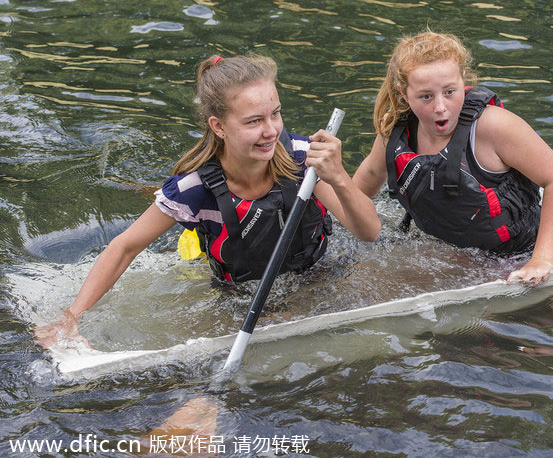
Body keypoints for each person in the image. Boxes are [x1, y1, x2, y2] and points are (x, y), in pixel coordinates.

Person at [35, 54, 381, 348]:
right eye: (254, 121)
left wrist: (338, 176)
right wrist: (71, 318)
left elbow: (370, 232)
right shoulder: (192, 190)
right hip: (237, 296)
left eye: (275, 114)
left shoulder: (304, 161)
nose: (271, 131)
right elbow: (124, 247)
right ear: (219, 126)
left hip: (318, 276)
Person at [353, 31, 553, 284]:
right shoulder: (395, 129)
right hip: (454, 252)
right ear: (404, 93)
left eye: (450, 91)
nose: (440, 107)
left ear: (463, 79)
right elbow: (370, 175)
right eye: (426, 96)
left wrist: (541, 260)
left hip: (521, 253)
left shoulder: (494, 126)